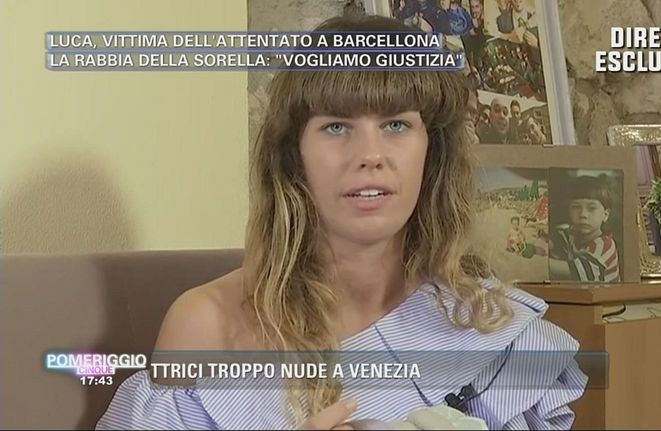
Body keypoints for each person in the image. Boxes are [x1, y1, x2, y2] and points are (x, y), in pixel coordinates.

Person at [96, 15, 587, 431]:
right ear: (293, 155)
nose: (370, 155)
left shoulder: (490, 319)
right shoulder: (207, 327)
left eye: (396, 124)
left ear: (432, 150)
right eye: (336, 126)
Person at [549, 176, 621, 283]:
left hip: (604, 293)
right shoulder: (568, 233)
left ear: (605, 215)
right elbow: (551, 242)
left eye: (592, 208)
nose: (583, 214)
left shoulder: (605, 245)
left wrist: (541, 263)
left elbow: (576, 272)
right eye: (576, 207)